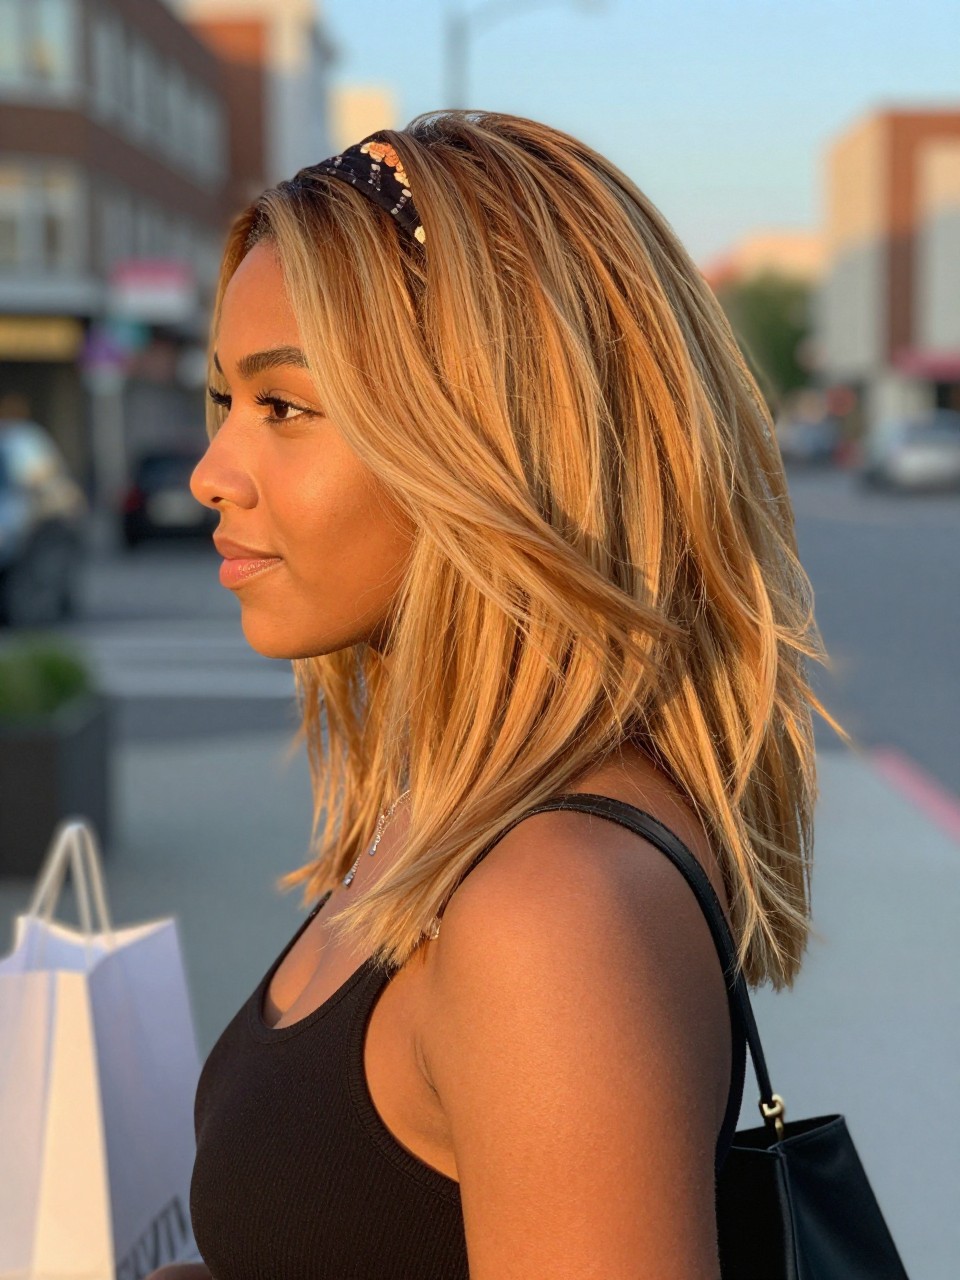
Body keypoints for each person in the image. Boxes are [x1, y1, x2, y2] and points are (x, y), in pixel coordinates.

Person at [151, 110, 845, 1279]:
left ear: (485, 438)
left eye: (285, 407)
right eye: (225, 400)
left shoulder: (549, 907)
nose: (212, 471)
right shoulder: (451, 818)